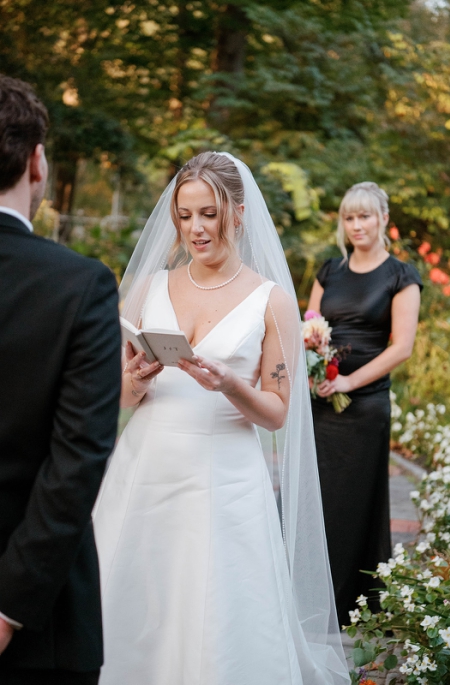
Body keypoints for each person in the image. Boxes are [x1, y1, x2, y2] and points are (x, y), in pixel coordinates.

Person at [90, 151, 347, 684]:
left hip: (225, 477)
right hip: (147, 468)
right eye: (185, 217)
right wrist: (135, 381)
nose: (196, 229)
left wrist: (230, 384)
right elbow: (115, 395)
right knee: (137, 600)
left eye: (208, 213)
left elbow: (277, 413)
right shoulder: (147, 289)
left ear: (237, 211)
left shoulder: (271, 301)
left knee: (217, 614)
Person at [0, 75, 121, 685]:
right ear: (37, 163)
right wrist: (7, 608)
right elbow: (76, 460)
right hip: (41, 622)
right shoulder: (81, 285)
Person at [306, 181, 422, 626]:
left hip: (366, 403)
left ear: (383, 220)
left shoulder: (400, 276)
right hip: (324, 401)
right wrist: (319, 372)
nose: (357, 225)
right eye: (349, 218)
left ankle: (351, 601)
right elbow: (311, 327)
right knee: (320, 499)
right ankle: (314, 595)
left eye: (365, 216)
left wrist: (350, 380)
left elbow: (402, 347)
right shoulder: (329, 272)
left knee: (356, 500)